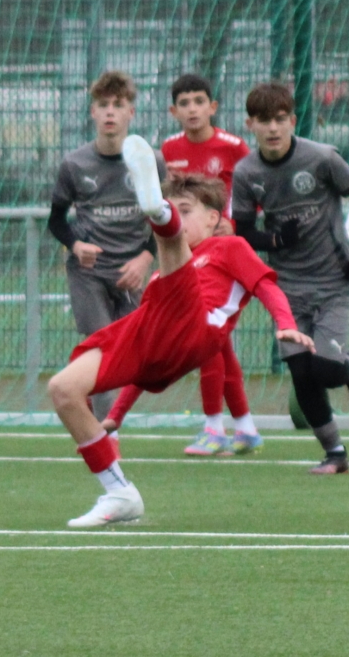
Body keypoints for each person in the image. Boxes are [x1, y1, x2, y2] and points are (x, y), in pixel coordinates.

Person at [49, 159, 312, 528]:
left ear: (214, 218)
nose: (183, 218)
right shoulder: (162, 276)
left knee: (172, 253)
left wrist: (286, 324)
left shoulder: (229, 247)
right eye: (176, 211)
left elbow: (266, 286)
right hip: (157, 327)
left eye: (185, 210)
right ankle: (119, 493)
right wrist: (116, 417)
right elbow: (147, 359)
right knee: (63, 390)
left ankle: (157, 212)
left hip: (198, 325)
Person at [102, 73, 260, 454]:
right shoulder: (170, 148)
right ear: (174, 111)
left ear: (212, 107)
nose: (192, 109)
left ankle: (215, 428)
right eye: (184, 103)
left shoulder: (233, 147)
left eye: (199, 102)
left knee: (208, 339)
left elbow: (252, 190)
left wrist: (233, 224)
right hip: (189, 249)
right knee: (217, 344)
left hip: (219, 252)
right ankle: (244, 427)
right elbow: (169, 199)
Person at [230, 82, 349, 474]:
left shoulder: (321, 157)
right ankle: (335, 454)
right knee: (301, 373)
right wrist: (275, 240)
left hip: (332, 281)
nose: (273, 128)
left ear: (293, 121)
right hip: (286, 287)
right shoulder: (246, 173)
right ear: (250, 124)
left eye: (280, 119)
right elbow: (242, 232)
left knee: (325, 370)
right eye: (264, 120)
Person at [49, 71, 158, 418]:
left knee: (128, 355)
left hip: (131, 272)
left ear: (131, 113)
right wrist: (75, 246)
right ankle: (104, 432)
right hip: (89, 271)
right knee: (101, 348)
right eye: (103, 104)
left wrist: (145, 258)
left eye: (118, 105)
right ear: (93, 112)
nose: (110, 111)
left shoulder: (150, 161)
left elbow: (165, 219)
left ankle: (97, 410)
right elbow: (56, 220)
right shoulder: (75, 164)